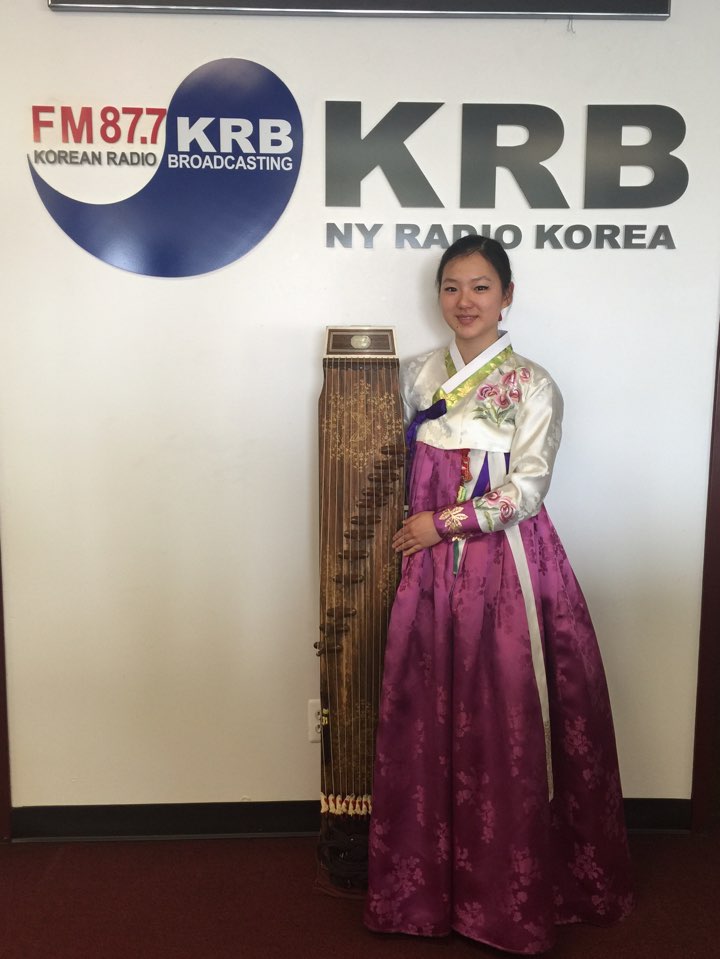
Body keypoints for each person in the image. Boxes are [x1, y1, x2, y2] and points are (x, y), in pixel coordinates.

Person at [364, 234, 634, 954]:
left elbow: (527, 489)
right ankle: (425, 893)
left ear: (507, 296)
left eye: (481, 287)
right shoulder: (418, 374)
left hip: (504, 573)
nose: (465, 301)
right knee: (427, 716)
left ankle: (503, 899)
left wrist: (442, 523)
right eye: (452, 287)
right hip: (428, 574)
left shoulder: (532, 385)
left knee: (504, 721)